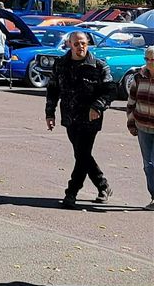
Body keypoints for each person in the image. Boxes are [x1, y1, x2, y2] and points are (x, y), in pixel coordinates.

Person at [45, 29, 113, 208]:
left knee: (82, 154)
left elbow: (109, 90)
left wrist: (97, 106)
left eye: (83, 43)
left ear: (88, 44)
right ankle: (102, 185)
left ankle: (71, 192)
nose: (80, 47)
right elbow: (53, 90)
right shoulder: (61, 64)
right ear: (69, 45)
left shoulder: (98, 66)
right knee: (82, 154)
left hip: (91, 118)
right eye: (76, 44)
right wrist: (49, 113)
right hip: (69, 118)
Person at [125, 43, 154, 208]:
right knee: (148, 165)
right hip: (143, 126)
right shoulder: (138, 76)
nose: (150, 63)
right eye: (147, 59)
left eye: (153, 60)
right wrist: (131, 122)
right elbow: (131, 102)